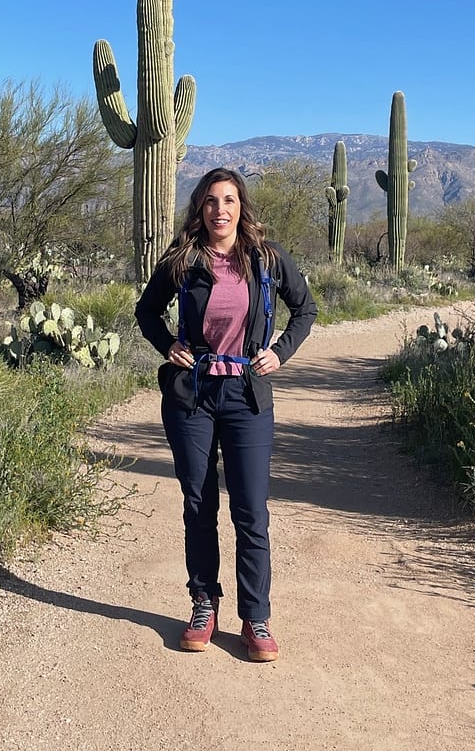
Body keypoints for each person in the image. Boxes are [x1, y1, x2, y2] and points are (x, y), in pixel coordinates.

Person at [135, 167, 318, 661]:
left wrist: (280, 352)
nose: (220, 210)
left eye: (229, 200)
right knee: (199, 504)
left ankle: (255, 618)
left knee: (250, 510)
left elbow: (305, 309)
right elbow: (147, 311)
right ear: (201, 207)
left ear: (241, 207)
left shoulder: (266, 258)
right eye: (212, 200)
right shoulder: (182, 258)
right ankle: (203, 603)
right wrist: (168, 345)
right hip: (193, 395)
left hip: (246, 396)